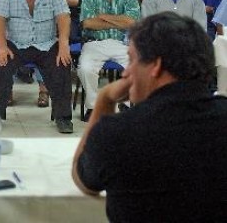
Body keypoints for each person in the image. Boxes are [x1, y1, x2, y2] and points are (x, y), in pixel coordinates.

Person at [72, 12, 227, 222]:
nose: (126, 73)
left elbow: (84, 180)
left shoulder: (118, 133)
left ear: (155, 66)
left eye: (132, 60)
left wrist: (105, 100)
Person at [0, 0, 73, 133]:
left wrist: (64, 44)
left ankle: (63, 117)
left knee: (63, 63)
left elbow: (63, 17)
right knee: (0, 65)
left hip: (46, 42)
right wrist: (1, 47)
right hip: (16, 43)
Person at [77, 0, 140, 121]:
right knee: (85, 68)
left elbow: (133, 22)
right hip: (94, 42)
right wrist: (119, 21)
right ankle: (92, 107)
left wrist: (104, 16)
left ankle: (125, 104)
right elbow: (88, 23)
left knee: (137, 67)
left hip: (122, 43)